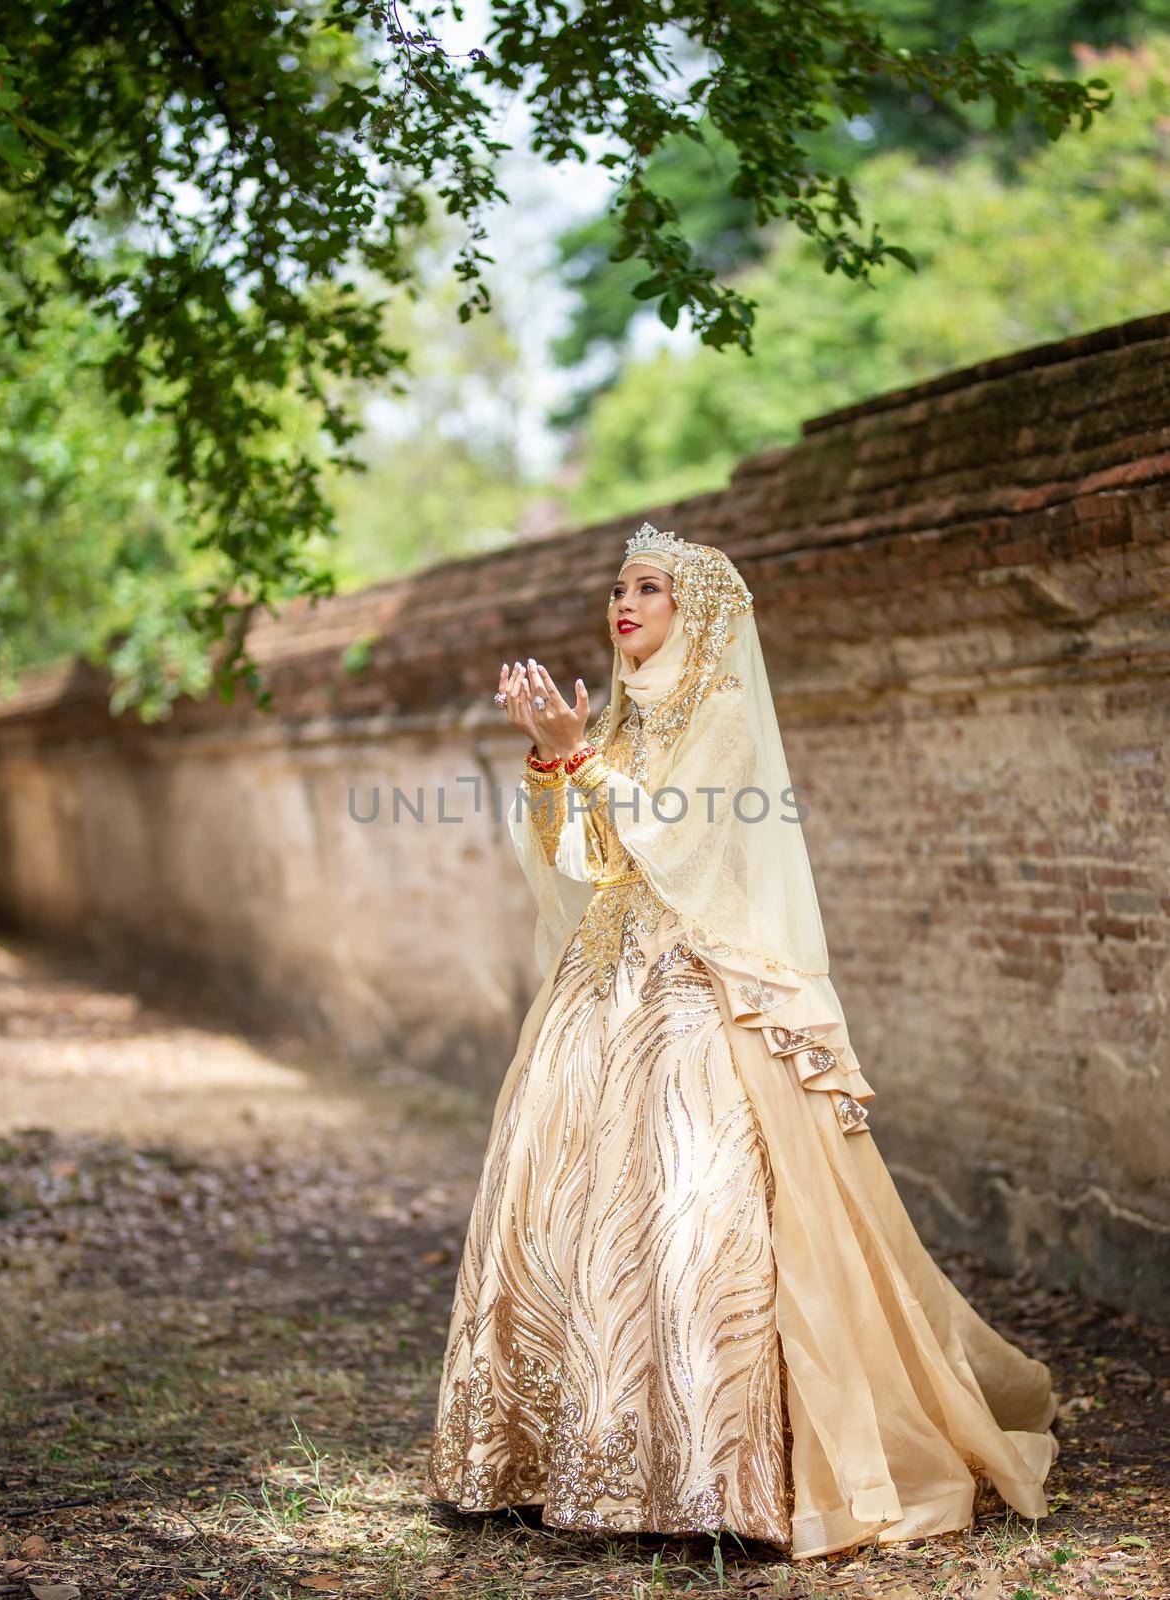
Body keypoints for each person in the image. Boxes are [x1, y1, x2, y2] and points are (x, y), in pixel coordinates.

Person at [426, 524, 1057, 1558]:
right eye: (619, 587)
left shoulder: (719, 713)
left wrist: (581, 758)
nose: (624, 602)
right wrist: (552, 757)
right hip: (602, 994)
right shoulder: (618, 722)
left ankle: (708, 1467)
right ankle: (556, 1452)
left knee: (692, 1208)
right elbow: (591, 862)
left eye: (650, 588)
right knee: (567, 1211)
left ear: (699, 611)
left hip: (693, 1005)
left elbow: (676, 841)